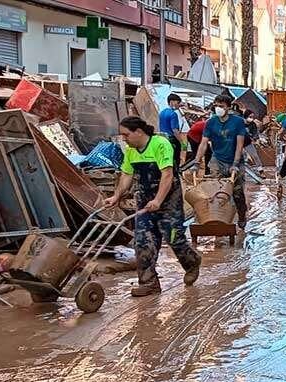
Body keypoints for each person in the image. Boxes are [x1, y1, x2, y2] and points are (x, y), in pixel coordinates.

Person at [103, 116, 200, 297]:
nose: (124, 139)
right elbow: (126, 175)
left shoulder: (160, 144)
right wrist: (116, 196)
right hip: (144, 200)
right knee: (142, 241)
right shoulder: (131, 151)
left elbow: (167, 175)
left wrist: (158, 200)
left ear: (139, 132)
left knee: (174, 238)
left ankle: (192, 262)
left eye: (126, 135)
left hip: (168, 200)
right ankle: (149, 283)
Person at [193, 94, 249, 229]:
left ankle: (242, 214)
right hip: (217, 159)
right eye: (216, 106)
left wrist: (235, 164)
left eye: (221, 106)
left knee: (237, 193)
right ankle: (216, 220)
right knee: (215, 191)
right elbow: (204, 143)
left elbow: (239, 144)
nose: (218, 108)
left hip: (235, 160)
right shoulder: (211, 122)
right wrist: (196, 162)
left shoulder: (237, 122)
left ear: (228, 108)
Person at [158, 93, 186, 165]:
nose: (179, 105)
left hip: (163, 138)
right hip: (171, 139)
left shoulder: (162, 112)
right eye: (178, 102)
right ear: (172, 102)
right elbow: (175, 130)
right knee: (175, 159)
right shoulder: (173, 114)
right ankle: (175, 171)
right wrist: (182, 142)